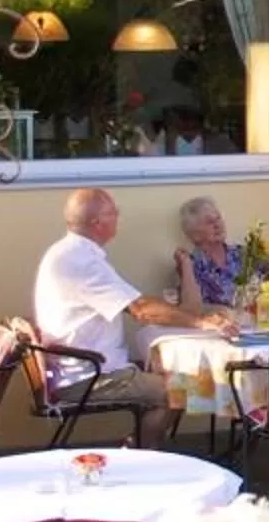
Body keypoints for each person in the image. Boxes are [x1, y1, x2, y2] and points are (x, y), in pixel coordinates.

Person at [35, 188, 231, 443]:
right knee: (183, 387)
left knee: (169, 373)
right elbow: (140, 309)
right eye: (113, 212)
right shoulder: (82, 261)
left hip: (84, 368)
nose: (118, 217)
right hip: (90, 376)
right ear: (98, 223)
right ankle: (139, 454)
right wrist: (200, 322)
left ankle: (139, 447)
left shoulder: (70, 252)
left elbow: (134, 303)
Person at [166, 194, 269, 313]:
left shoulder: (243, 254)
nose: (217, 225)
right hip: (219, 327)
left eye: (218, 218)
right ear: (194, 234)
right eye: (209, 222)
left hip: (259, 322)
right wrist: (186, 267)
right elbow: (190, 309)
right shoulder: (189, 265)